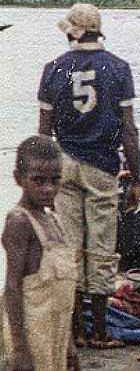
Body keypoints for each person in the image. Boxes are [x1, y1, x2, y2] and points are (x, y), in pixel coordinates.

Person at [37, 2, 140, 350]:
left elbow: (43, 135)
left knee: (69, 247)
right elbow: (128, 130)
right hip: (102, 166)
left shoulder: (54, 69)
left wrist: (43, 182)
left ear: (73, 32)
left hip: (64, 163)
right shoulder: (118, 68)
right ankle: (99, 331)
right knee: (101, 248)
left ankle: (75, 331)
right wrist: (136, 176)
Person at [3, 136, 80, 371]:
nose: (48, 189)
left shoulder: (54, 220)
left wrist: (69, 344)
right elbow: (12, 288)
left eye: (55, 181)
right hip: (31, 336)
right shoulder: (20, 222)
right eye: (38, 181)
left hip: (56, 333)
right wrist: (20, 351)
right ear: (19, 179)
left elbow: (62, 293)